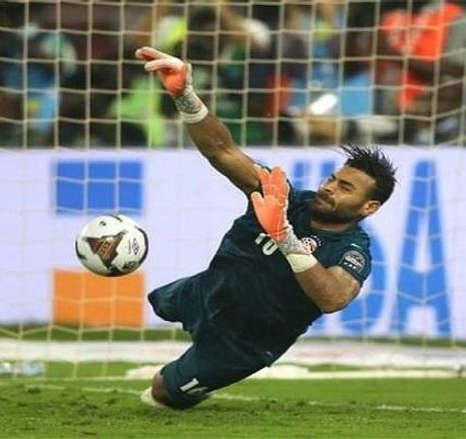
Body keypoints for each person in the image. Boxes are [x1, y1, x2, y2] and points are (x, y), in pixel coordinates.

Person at [134, 46, 398, 409]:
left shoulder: (352, 250)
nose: (329, 188)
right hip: (208, 290)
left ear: (369, 207)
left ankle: (196, 380)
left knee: (164, 392)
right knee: (156, 305)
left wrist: (284, 237)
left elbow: (333, 298)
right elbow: (222, 151)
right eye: (333, 179)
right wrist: (185, 95)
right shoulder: (282, 196)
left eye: (345, 188)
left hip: (247, 341)